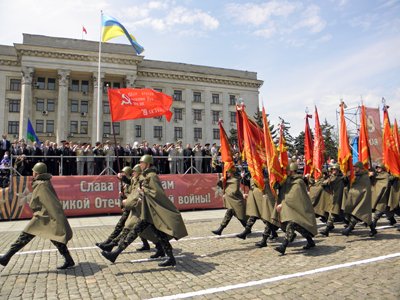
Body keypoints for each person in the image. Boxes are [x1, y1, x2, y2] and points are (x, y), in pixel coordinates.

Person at [101, 154, 188, 267]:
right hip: (147, 211)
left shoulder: (152, 176)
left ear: (147, 164)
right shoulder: (146, 175)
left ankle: (115, 254)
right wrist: (125, 180)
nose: (140, 165)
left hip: (152, 212)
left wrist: (143, 191)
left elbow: (157, 193)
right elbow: (135, 182)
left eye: (142, 163)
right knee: (155, 236)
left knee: (138, 232)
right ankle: (170, 258)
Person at [0, 162, 74, 269]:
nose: (32, 173)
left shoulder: (42, 185)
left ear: (37, 173)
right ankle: (69, 260)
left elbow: (52, 203)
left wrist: (57, 219)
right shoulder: (42, 183)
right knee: (55, 238)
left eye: (33, 171)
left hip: (43, 217)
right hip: (43, 217)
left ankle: (6, 257)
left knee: (25, 235)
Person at [274, 162, 318, 255]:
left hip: (300, 208)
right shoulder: (288, 180)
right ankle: (310, 241)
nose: (287, 172)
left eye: (288, 171)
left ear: (292, 171)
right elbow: (283, 190)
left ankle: (283, 246)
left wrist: (283, 203)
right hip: (291, 208)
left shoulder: (299, 182)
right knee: (300, 227)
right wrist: (276, 184)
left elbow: (294, 196)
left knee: (293, 223)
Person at [341, 161, 377, 237]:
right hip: (356, 198)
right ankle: (373, 230)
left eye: (356, 167)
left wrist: (373, 174)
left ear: (360, 168)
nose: (355, 169)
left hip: (364, 198)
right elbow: (346, 183)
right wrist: (346, 176)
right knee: (365, 215)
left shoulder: (365, 176)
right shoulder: (355, 176)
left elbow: (367, 186)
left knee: (357, 213)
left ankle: (349, 229)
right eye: (354, 167)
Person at [211, 167, 247, 236]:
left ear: (232, 173)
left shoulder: (235, 180)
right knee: (229, 214)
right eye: (226, 172)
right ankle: (220, 229)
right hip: (232, 202)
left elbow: (233, 191)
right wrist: (221, 181)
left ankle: (247, 228)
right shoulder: (227, 180)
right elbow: (220, 186)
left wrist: (227, 192)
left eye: (228, 172)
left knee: (240, 217)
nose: (227, 173)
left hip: (237, 201)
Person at [319, 163, 345, 236]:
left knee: (333, 213)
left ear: (338, 170)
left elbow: (326, 183)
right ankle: (329, 227)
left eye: (335, 170)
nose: (334, 171)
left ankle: (327, 229)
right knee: (333, 213)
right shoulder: (332, 177)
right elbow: (323, 184)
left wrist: (328, 179)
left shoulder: (339, 178)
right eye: (333, 169)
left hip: (338, 198)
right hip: (333, 198)